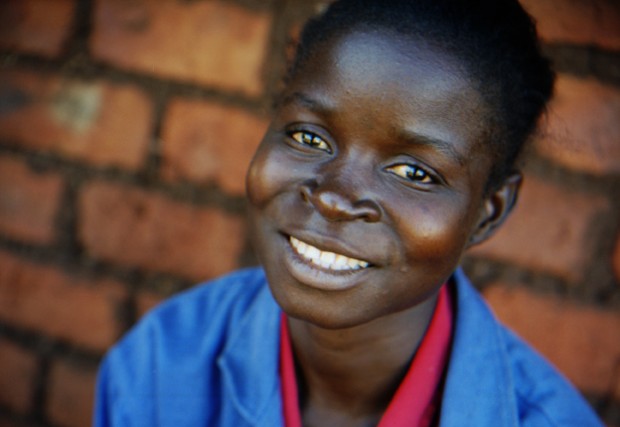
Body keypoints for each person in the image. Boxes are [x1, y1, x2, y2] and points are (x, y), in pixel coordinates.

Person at [93, 0, 604, 425]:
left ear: (488, 213)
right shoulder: (159, 368)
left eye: (414, 172)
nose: (335, 197)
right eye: (309, 137)